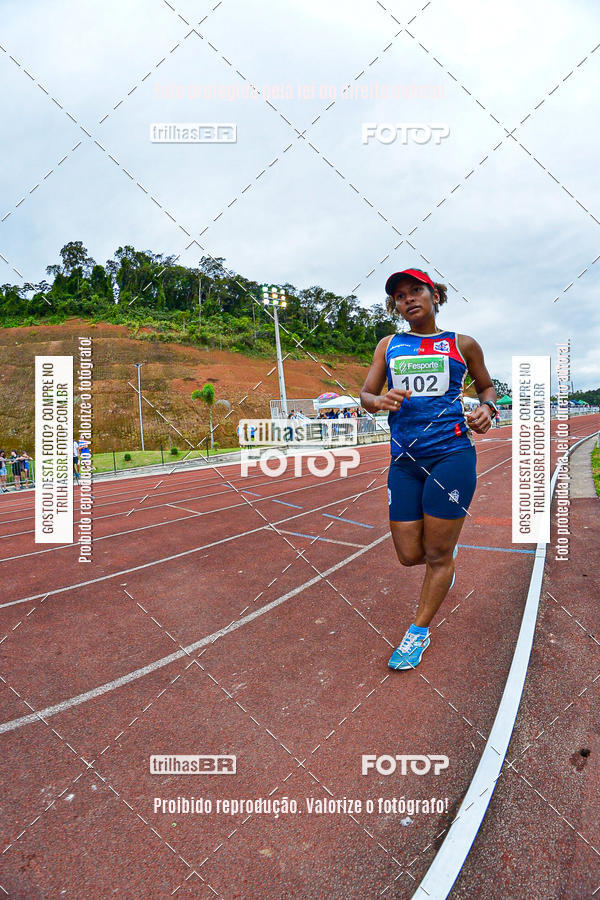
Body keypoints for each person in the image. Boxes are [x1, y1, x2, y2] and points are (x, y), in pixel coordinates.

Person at [360, 268, 498, 671]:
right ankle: (445, 556)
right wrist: (378, 401)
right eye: (400, 296)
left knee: (436, 555)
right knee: (408, 555)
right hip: (404, 462)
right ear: (396, 305)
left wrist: (486, 408)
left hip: (451, 456)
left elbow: (487, 387)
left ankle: (417, 633)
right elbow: (366, 393)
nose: (409, 299)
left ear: (435, 295)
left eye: (416, 290)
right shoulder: (389, 345)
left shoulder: (462, 343)